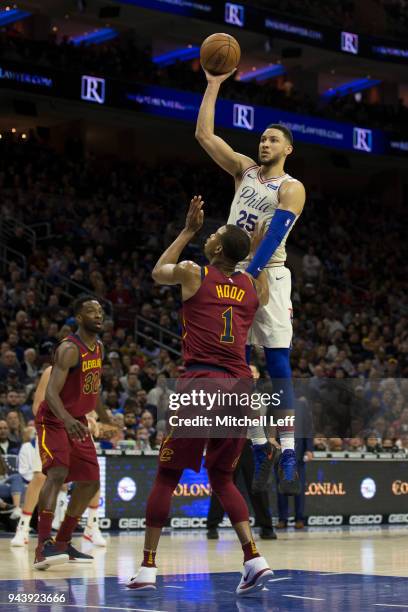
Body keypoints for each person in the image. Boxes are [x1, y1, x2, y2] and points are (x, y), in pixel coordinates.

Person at [127, 196, 272, 597]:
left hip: (202, 384)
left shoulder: (194, 272)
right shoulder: (251, 286)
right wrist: (256, 250)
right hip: (240, 388)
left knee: (167, 476)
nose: (208, 235)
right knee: (224, 478)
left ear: (218, 250)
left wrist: (188, 230)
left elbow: (158, 272)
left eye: (213, 235)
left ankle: (148, 567)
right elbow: (252, 281)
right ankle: (254, 558)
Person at [196, 69, 306, 495]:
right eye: (262, 137)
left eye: (273, 139)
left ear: (288, 149)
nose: (264, 142)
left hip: (270, 275)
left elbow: (274, 236)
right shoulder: (244, 171)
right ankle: (261, 448)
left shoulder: (292, 187)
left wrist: (250, 275)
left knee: (278, 366)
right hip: (234, 274)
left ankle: (291, 454)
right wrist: (213, 83)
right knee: (237, 369)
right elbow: (205, 134)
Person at [33, 296, 112, 570]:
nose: (98, 315)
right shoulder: (69, 349)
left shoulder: (99, 347)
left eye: (100, 311)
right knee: (57, 473)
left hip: (76, 420)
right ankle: (43, 545)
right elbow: (51, 393)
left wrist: (107, 417)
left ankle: (63, 542)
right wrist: (66, 419)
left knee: (91, 481)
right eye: (92, 311)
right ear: (79, 317)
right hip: (55, 420)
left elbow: (94, 387)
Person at [11, 366, 107, 547]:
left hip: (78, 428)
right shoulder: (51, 371)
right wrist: (65, 419)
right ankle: (23, 528)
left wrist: (91, 418)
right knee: (40, 476)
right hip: (52, 426)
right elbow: (37, 406)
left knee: (92, 477)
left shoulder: (92, 373)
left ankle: (92, 527)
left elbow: (89, 405)